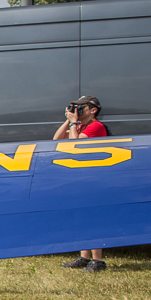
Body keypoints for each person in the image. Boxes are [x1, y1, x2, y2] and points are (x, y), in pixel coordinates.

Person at [55, 94, 109, 271]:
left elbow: (76, 145)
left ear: (93, 110)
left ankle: (98, 260)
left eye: (81, 107)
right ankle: (84, 257)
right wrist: (68, 121)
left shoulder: (96, 126)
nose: (77, 110)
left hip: (94, 177)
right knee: (82, 216)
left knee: (93, 217)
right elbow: (57, 140)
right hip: (81, 176)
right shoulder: (79, 126)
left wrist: (72, 124)